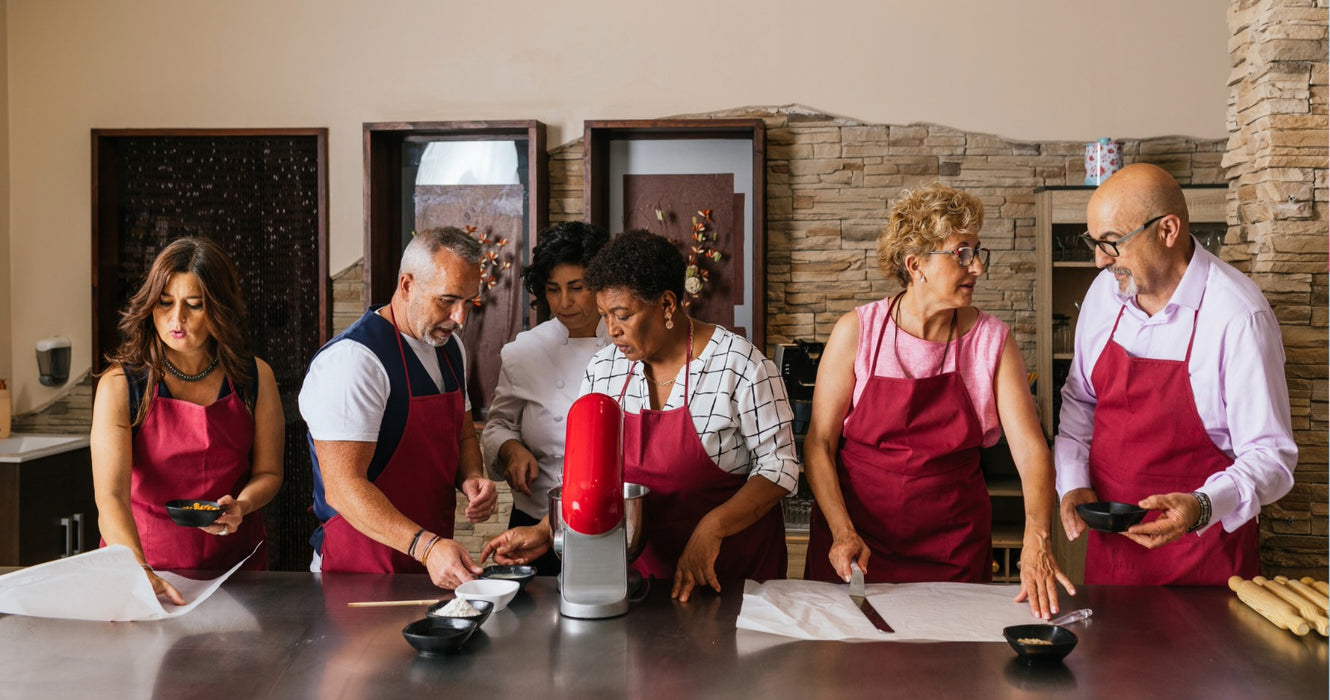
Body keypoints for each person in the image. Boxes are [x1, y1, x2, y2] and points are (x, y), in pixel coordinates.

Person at [482, 229, 800, 602]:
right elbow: (585, 475)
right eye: (605, 315)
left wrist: (713, 527)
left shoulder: (740, 365)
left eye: (623, 315)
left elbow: (779, 467)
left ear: (667, 304)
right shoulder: (604, 369)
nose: (611, 330)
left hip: (732, 575)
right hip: (641, 581)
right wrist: (544, 529)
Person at [803, 183, 1072, 618]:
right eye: (961, 254)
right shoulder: (857, 332)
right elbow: (819, 444)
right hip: (857, 547)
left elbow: (1031, 451)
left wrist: (1036, 538)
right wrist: (841, 530)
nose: (977, 267)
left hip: (952, 549)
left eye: (977, 252)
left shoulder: (992, 342)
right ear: (916, 265)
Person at [1055, 164, 1296, 586]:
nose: (1099, 261)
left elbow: (1271, 457)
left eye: (1112, 242)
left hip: (1206, 561)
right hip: (1115, 557)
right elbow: (1081, 400)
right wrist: (1072, 481)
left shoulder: (1239, 316)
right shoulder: (1103, 294)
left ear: (1167, 230)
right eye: (1094, 243)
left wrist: (1202, 506)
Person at [300, 226, 498, 589]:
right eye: (447, 300)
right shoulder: (353, 362)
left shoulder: (451, 349)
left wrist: (471, 476)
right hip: (357, 573)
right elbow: (343, 488)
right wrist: (427, 547)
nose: (460, 318)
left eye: (468, 302)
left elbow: (464, 435)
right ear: (407, 286)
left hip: (428, 565)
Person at [91, 237, 284, 605]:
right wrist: (140, 570)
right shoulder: (121, 385)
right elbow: (110, 497)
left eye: (194, 305)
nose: (176, 318)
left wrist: (241, 506)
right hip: (145, 568)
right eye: (165, 302)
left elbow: (269, 473)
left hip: (237, 569)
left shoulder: (255, 377)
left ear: (219, 308)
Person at [481, 222, 610, 575]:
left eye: (577, 287)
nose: (564, 302)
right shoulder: (525, 351)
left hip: (607, 518)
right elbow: (499, 424)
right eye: (553, 289)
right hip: (533, 516)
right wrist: (510, 449)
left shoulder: (628, 346)